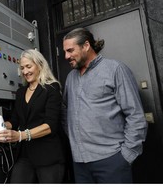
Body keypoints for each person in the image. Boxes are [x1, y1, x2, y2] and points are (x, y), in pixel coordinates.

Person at [61, 27, 148, 183]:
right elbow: (66, 112)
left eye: (70, 50)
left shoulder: (115, 69)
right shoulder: (70, 78)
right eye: (65, 52)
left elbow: (135, 115)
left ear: (86, 46)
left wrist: (126, 155)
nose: (66, 56)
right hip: (80, 164)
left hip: (112, 160)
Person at [0, 49, 66, 183]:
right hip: (25, 154)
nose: (25, 71)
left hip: (48, 156)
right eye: (22, 68)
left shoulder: (51, 89)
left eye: (29, 66)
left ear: (40, 65)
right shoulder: (20, 92)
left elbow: (50, 126)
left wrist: (20, 135)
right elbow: (15, 121)